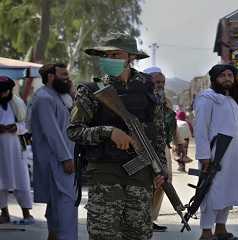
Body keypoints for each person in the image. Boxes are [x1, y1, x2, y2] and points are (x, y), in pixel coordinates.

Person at [67, 33, 166, 240]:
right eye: (106, 54)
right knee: (104, 234)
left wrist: (160, 168)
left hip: (140, 173)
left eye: (115, 54)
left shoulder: (148, 87)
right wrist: (109, 132)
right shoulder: (91, 90)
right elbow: (74, 131)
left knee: (138, 234)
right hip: (105, 172)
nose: (109, 58)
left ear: (130, 57)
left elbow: (158, 132)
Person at [194, 64, 238, 240]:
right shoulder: (207, 98)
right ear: (214, 79)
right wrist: (204, 157)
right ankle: (206, 232)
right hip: (215, 155)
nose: (227, 78)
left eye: (230, 75)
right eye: (223, 75)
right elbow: (201, 129)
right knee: (211, 192)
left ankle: (221, 229)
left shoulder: (232, 101)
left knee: (228, 191)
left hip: (233, 156)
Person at [30, 63, 77, 240]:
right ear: (50, 76)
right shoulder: (43, 98)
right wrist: (66, 158)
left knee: (58, 206)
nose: (67, 78)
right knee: (66, 205)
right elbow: (52, 133)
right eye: (63, 74)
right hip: (56, 161)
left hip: (62, 159)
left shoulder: (57, 96)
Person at [143, 66, 180, 232]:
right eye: (157, 82)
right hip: (146, 147)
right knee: (148, 183)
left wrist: (179, 144)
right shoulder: (141, 99)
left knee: (164, 182)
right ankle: (141, 218)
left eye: (162, 82)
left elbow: (173, 125)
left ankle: (150, 219)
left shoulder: (166, 101)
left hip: (163, 146)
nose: (160, 85)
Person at [0, 76, 33, 225]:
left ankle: (26, 213)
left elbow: (26, 125)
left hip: (17, 148)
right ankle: (4, 213)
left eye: (4, 92)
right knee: (0, 181)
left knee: (21, 179)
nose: (2, 95)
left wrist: (16, 128)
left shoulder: (18, 104)